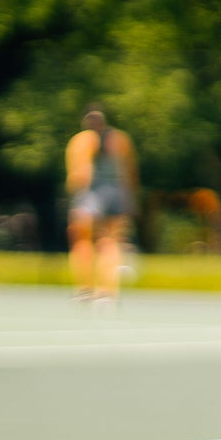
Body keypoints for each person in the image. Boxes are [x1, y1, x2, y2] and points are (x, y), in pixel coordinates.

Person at [65, 106, 138, 304]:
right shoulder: (121, 140)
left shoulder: (82, 140)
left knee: (84, 238)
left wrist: (75, 196)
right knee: (109, 241)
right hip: (115, 194)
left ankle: (87, 288)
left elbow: (79, 174)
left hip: (92, 194)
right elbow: (130, 172)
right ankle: (107, 291)